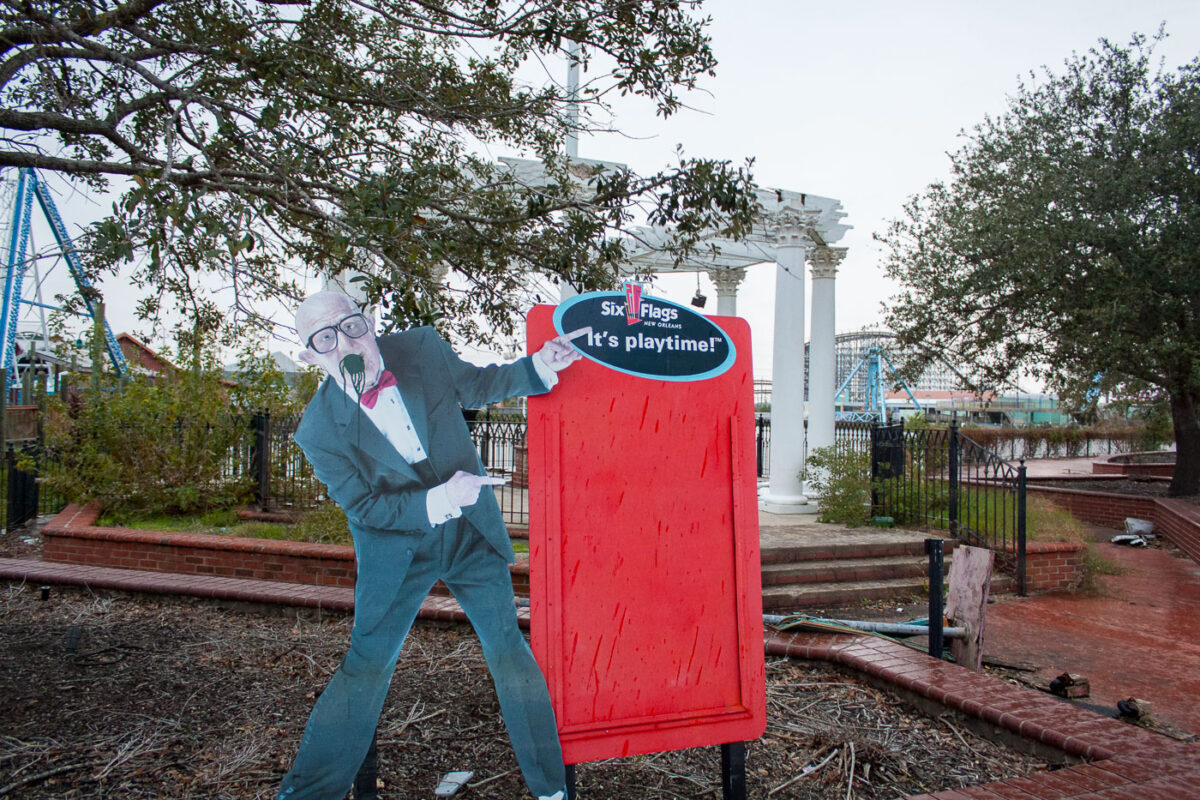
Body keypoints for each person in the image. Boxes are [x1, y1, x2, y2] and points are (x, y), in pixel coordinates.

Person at [278, 290, 580, 800]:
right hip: (395, 550)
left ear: (368, 322)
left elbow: (478, 385)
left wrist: (540, 366)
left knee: (509, 649)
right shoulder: (318, 429)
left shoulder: (419, 347)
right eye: (325, 339)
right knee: (366, 665)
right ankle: (307, 793)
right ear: (310, 356)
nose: (345, 343)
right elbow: (364, 509)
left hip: (469, 533)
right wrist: (439, 498)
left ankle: (551, 789)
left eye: (351, 326)